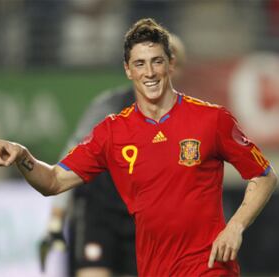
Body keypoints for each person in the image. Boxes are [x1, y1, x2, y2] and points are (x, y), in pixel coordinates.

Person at [0, 18, 277, 276]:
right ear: (128, 70)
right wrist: (24, 157)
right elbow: (54, 182)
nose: (149, 72)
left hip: (209, 267)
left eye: (156, 61)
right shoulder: (112, 132)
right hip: (153, 267)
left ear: (170, 64)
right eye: (140, 64)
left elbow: (264, 175)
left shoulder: (212, 120)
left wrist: (236, 226)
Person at [40, 34, 186, 277]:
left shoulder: (188, 119)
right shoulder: (108, 108)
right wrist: (56, 220)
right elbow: (72, 158)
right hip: (99, 214)